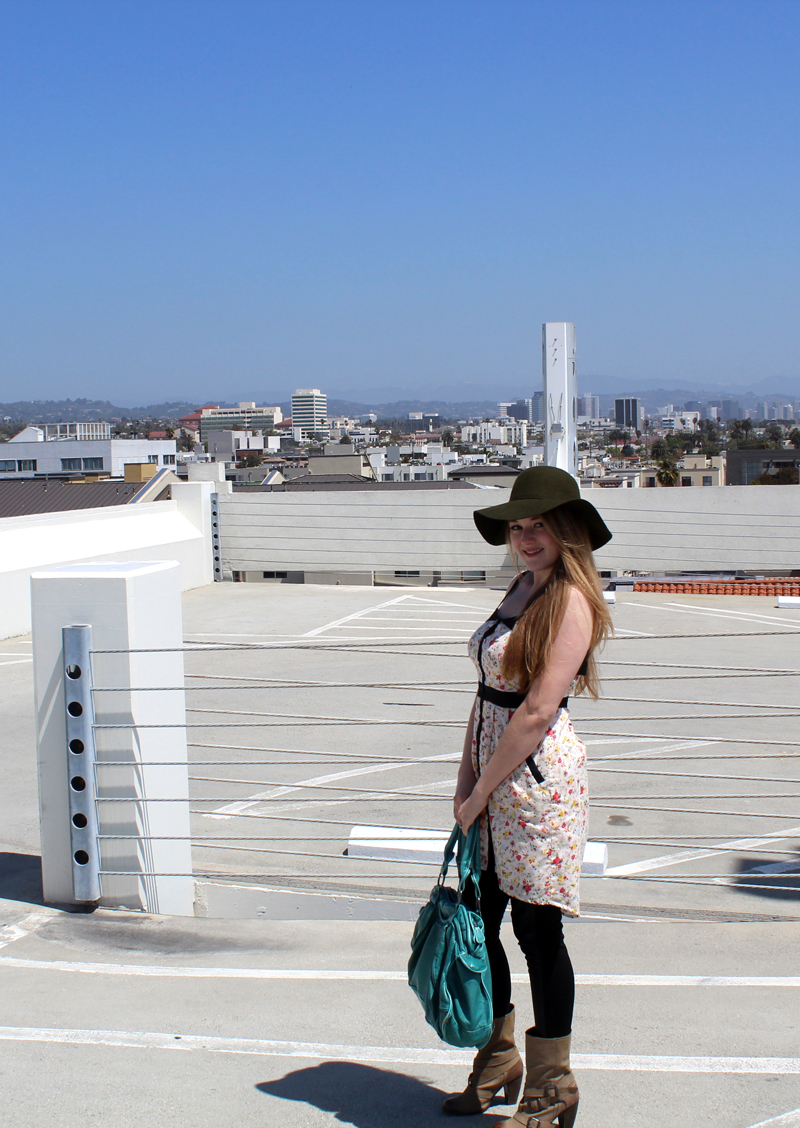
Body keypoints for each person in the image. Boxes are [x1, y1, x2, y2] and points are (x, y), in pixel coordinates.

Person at [442, 467, 612, 1128]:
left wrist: (483, 787)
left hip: (537, 782)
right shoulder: (518, 587)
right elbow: (487, 694)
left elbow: (538, 709)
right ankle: (496, 1058)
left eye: (538, 524)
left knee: (537, 930)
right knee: (480, 925)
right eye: (517, 527)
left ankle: (551, 1086)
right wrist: (465, 781)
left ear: (566, 529)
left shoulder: (571, 599)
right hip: (490, 769)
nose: (526, 537)